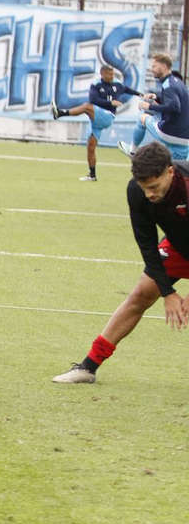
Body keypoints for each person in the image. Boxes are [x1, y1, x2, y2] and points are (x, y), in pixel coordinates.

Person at [53, 143, 188, 383]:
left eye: (154, 187)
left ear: (170, 172)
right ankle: (87, 367)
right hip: (180, 244)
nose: (150, 195)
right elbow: (147, 245)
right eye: (145, 188)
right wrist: (167, 292)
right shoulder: (137, 191)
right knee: (141, 294)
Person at [52, 64, 141, 180]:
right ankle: (92, 175)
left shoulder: (117, 83)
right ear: (102, 73)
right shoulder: (96, 84)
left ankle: (60, 113)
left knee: (86, 107)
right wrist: (110, 103)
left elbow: (127, 90)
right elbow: (93, 99)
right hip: (97, 118)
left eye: (113, 73)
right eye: (109, 74)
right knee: (91, 146)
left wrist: (141, 95)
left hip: (108, 116)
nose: (112, 76)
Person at [119, 53, 189, 160]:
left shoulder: (167, 85)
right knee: (175, 172)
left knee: (143, 118)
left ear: (164, 66)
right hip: (185, 138)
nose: (151, 69)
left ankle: (132, 151)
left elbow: (174, 106)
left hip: (170, 133)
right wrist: (156, 97)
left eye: (154, 66)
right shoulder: (178, 83)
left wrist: (149, 106)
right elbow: (176, 101)